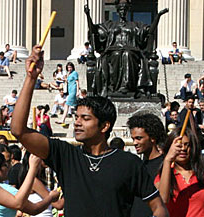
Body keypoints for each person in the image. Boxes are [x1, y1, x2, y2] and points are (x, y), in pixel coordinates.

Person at [11, 45, 168, 217]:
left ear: (105, 126)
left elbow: (159, 207)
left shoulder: (129, 163)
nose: (77, 123)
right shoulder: (65, 155)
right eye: (76, 117)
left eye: (85, 119)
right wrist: (30, 78)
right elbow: (18, 130)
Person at [157, 128, 204, 217]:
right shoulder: (164, 175)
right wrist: (167, 160)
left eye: (187, 145)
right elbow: (162, 200)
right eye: (178, 146)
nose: (183, 149)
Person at [127, 113, 167, 217]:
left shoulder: (165, 166)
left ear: (152, 138)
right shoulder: (136, 166)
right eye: (133, 139)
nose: (135, 143)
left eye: (139, 138)